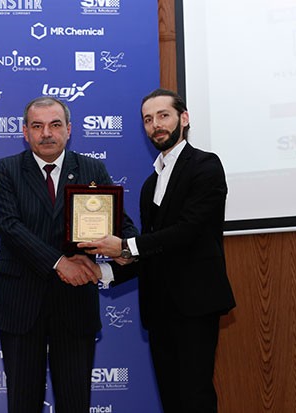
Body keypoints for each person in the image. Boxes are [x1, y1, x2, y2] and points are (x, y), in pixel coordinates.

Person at [78, 88, 236, 413]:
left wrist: (124, 246)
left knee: (195, 398)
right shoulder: (150, 183)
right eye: (148, 120)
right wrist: (105, 270)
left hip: (195, 304)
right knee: (172, 399)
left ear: (184, 118)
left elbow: (187, 232)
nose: (156, 125)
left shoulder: (206, 166)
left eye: (163, 115)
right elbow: (154, 248)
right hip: (159, 309)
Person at [0, 96, 138, 413]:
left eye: (55, 125)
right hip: (20, 305)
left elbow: (121, 225)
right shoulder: (5, 170)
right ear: (25, 132)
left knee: (75, 403)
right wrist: (59, 263)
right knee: (22, 404)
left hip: (74, 304)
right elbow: (10, 227)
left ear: (69, 129)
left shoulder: (92, 168)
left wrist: (125, 250)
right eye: (37, 126)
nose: (46, 133)